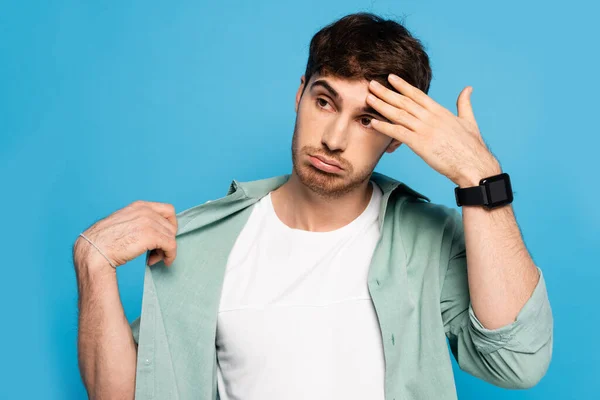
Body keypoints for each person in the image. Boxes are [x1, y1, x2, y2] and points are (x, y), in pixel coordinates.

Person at [73, 12, 553, 400]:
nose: (334, 139)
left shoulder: (428, 244)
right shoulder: (200, 245)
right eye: (325, 102)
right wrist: (93, 267)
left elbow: (519, 362)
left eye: (368, 119)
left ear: (394, 140)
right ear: (300, 93)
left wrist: (480, 178)